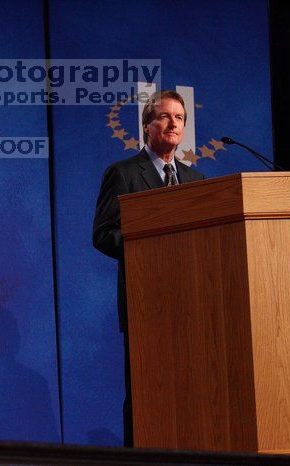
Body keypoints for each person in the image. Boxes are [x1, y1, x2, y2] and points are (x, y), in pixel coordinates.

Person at [92, 90, 204, 446]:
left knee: (191, 393)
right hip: (145, 303)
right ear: (147, 127)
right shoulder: (123, 174)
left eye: (180, 118)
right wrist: (147, 246)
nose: (173, 124)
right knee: (146, 395)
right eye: (165, 117)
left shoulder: (197, 181)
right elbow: (103, 233)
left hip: (193, 305)